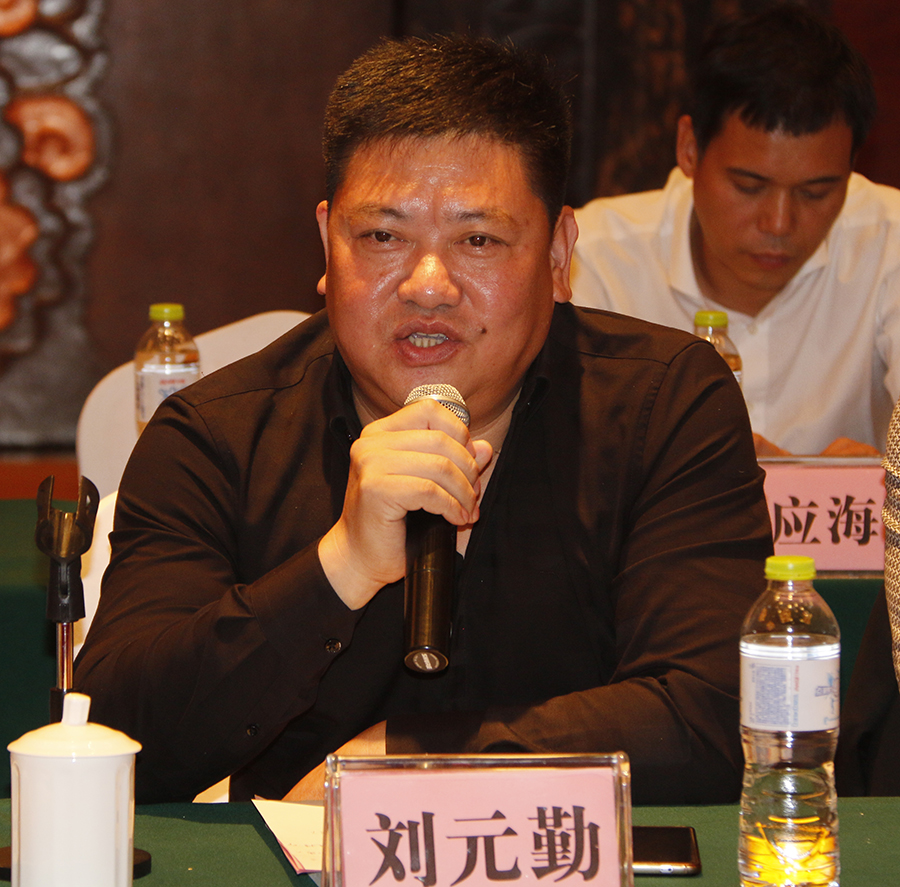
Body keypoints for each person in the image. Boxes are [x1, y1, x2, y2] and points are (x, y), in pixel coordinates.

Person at [74, 34, 772, 807]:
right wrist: (339, 567)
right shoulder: (214, 436)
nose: (428, 285)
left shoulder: (666, 405)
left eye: (478, 239)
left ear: (558, 252)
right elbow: (115, 741)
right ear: (327, 242)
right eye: (383, 236)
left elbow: (719, 716)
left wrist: (408, 762)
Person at [570, 5, 900, 458]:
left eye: (816, 192)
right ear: (689, 148)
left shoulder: (889, 240)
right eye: (749, 187)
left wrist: (870, 483)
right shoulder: (594, 260)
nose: (779, 224)